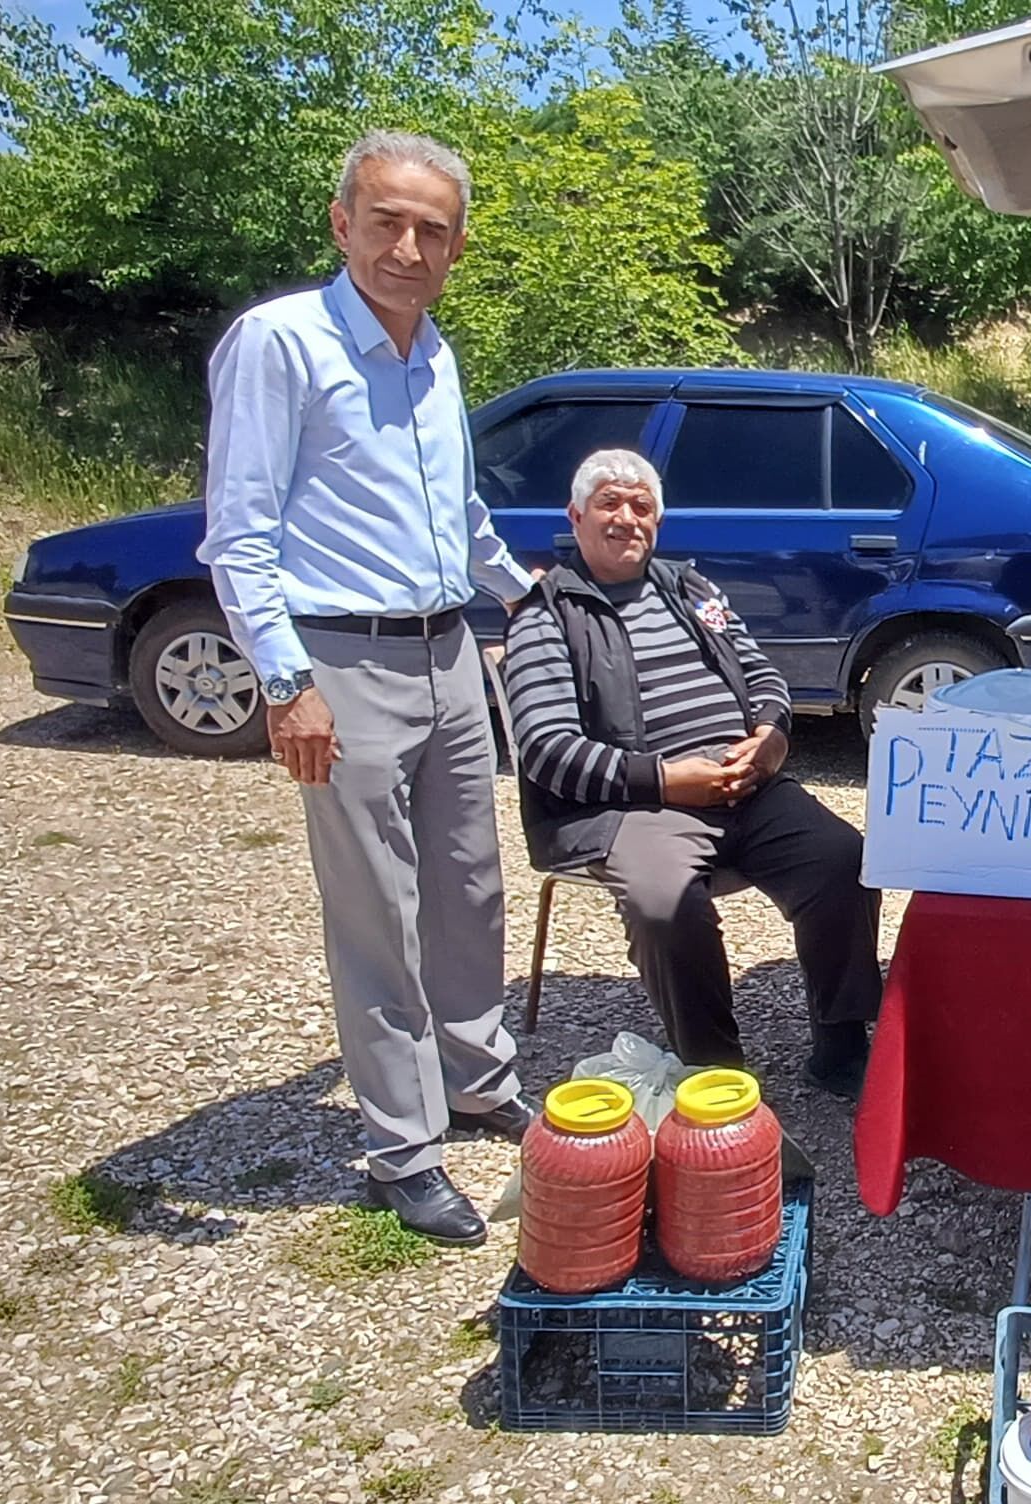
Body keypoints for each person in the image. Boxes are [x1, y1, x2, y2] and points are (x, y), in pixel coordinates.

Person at [198, 130, 537, 1246]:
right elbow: (239, 535)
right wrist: (286, 684)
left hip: (448, 652)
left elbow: (459, 516)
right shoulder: (281, 343)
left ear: (457, 245)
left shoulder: (434, 353)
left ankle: (478, 1079)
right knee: (377, 910)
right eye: (386, 220)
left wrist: (525, 594)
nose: (407, 245)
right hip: (340, 658)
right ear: (342, 222)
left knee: (470, 882)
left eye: (431, 229)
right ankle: (403, 1142)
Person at [501, 449, 881, 1096]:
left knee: (844, 858)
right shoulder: (546, 615)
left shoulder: (691, 589)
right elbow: (545, 747)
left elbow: (762, 675)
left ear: (658, 520)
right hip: (639, 806)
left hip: (747, 788)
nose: (627, 518)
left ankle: (842, 1044)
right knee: (663, 904)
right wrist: (667, 781)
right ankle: (714, 1069)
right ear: (576, 516)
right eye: (609, 504)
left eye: (641, 506)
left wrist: (771, 739)